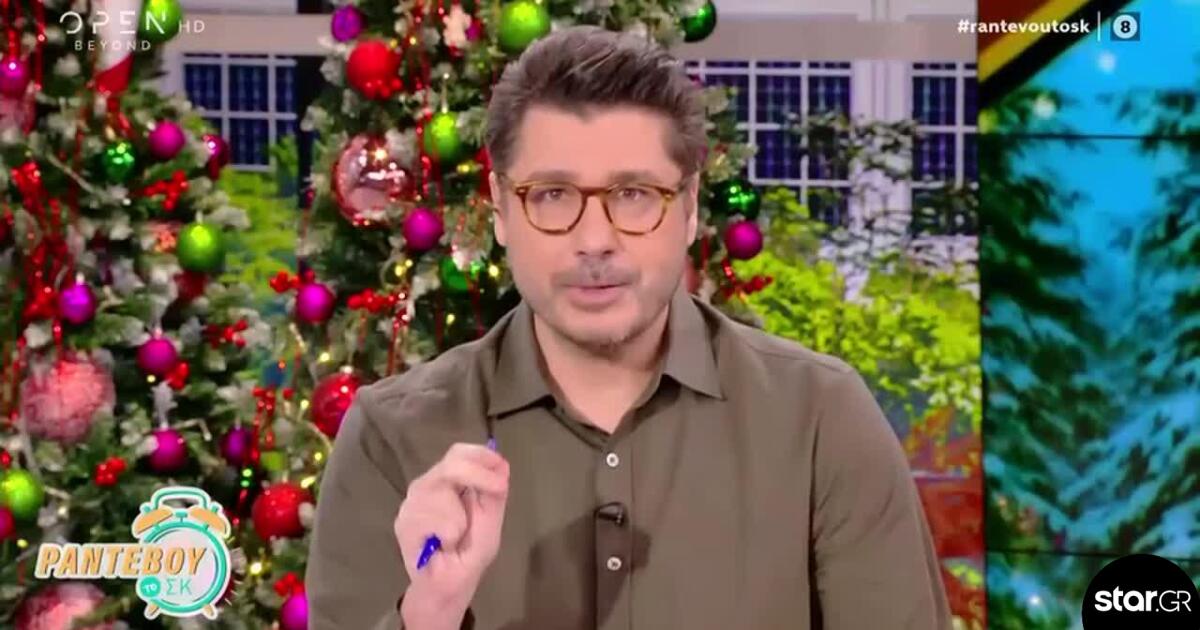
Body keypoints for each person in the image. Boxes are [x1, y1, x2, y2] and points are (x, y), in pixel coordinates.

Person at [306, 25, 951, 630]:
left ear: (690, 207)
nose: (595, 240)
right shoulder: (393, 436)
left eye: (635, 194)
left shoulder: (820, 418)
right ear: (500, 210)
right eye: (552, 194)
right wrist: (429, 611)